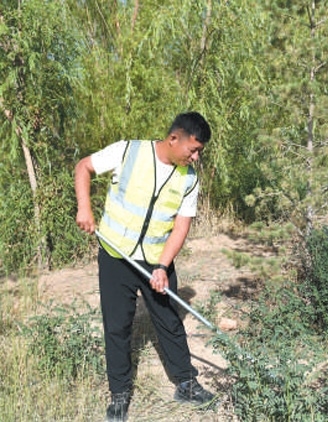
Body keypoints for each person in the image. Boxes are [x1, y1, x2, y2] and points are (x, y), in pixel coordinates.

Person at [74, 112, 215, 421]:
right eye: (193, 150)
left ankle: (186, 384)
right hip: (116, 256)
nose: (195, 157)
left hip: (156, 260)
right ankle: (119, 394)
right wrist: (84, 207)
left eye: (199, 152)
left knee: (169, 321)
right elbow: (84, 166)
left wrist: (163, 266)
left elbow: (181, 227)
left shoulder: (189, 179)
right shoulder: (128, 151)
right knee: (117, 326)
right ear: (174, 138)